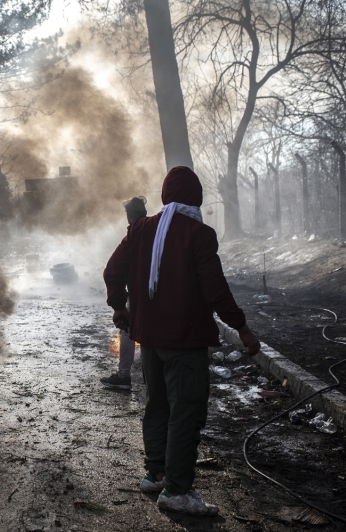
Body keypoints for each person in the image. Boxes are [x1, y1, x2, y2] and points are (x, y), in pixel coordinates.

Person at [103, 167, 260, 515]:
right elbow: (215, 289)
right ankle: (176, 490)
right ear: (196, 198)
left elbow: (112, 271)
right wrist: (243, 329)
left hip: (151, 341)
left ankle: (156, 473)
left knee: (158, 407)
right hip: (185, 342)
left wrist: (120, 308)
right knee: (185, 413)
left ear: (164, 196)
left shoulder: (140, 230)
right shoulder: (198, 234)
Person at [100, 196, 147, 390]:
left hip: (140, 295)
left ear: (129, 216)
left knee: (127, 331)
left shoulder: (134, 236)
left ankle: (124, 376)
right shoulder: (159, 231)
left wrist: (119, 307)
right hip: (164, 295)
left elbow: (111, 271)